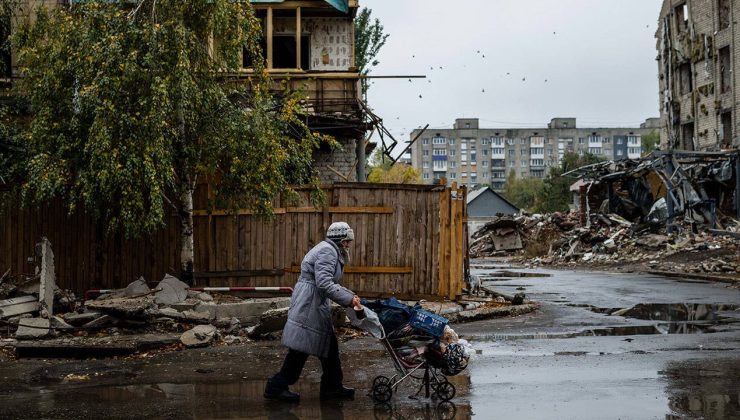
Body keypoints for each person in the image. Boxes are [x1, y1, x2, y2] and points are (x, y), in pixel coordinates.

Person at [264, 221, 362, 403]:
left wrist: (349, 295)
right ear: (340, 239)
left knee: (326, 345)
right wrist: (349, 299)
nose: (349, 244)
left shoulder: (330, 249)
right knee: (302, 348)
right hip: (310, 303)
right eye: (347, 240)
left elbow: (327, 282)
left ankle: (332, 387)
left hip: (313, 301)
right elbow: (324, 283)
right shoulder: (327, 251)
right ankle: (277, 386)